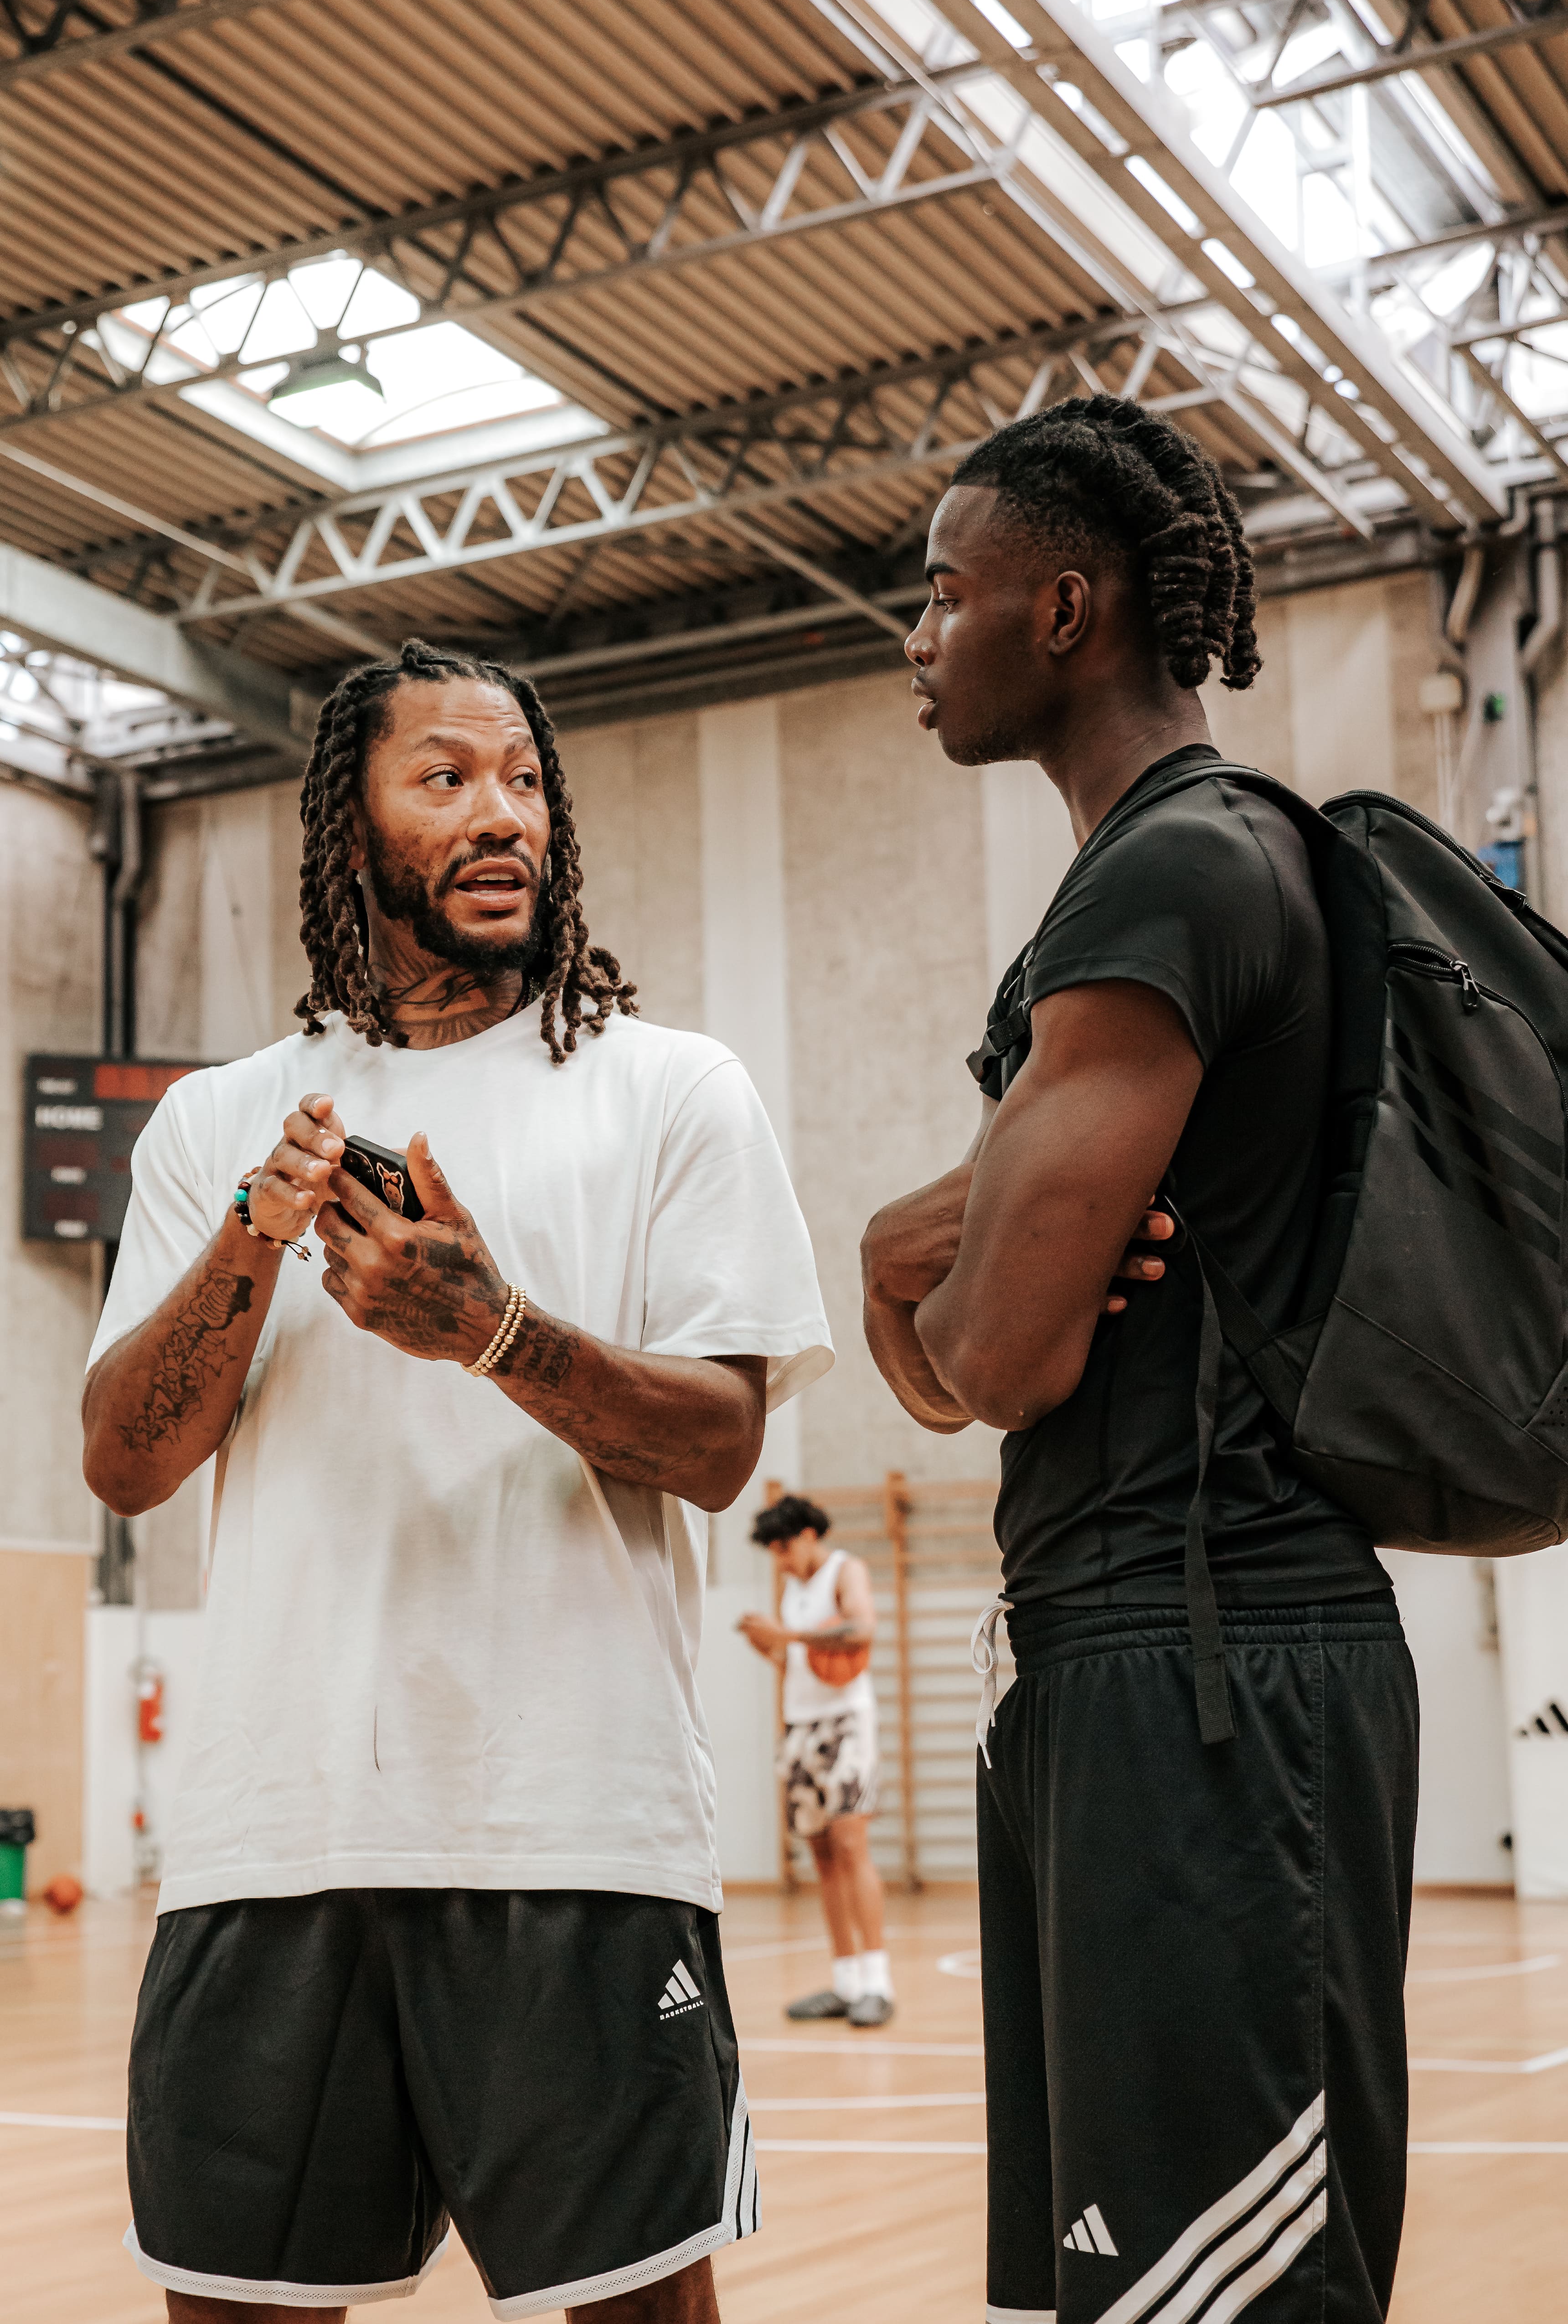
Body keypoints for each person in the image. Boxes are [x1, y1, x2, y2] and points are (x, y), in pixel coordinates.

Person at [82, 639, 833, 2324]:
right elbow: (125, 1464)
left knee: (639, 2308)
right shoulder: (218, 1121)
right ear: (350, 832)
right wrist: (250, 1241)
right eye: (446, 778)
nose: (505, 815)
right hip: (272, 1840)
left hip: (574, 1828)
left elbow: (720, 1446)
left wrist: (492, 1331)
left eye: (524, 781)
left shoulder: (669, 1090)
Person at [860, 397, 1418, 2324]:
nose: (915, 635)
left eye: (943, 592)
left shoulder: (1176, 869)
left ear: (1063, 609)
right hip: (1099, 1646)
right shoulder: (1136, 887)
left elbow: (993, 1354)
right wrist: (899, 1270)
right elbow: (951, 1348)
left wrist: (917, 1282)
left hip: (1203, 1657)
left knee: (1217, 2297)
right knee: (1106, 2293)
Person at [737, 1495, 893, 2028]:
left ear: (807, 1535)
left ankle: (877, 1984)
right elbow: (797, 1660)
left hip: (846, 1722)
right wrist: (768, 1647)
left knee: (850, 1844)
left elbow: (861, 1630)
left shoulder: (846, 1570)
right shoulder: (791, 1590)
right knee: (822, 1856)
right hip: (800, 1725)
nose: (779, 1561)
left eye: (783, 1548)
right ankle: (846, 1983)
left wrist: (789, 1636)